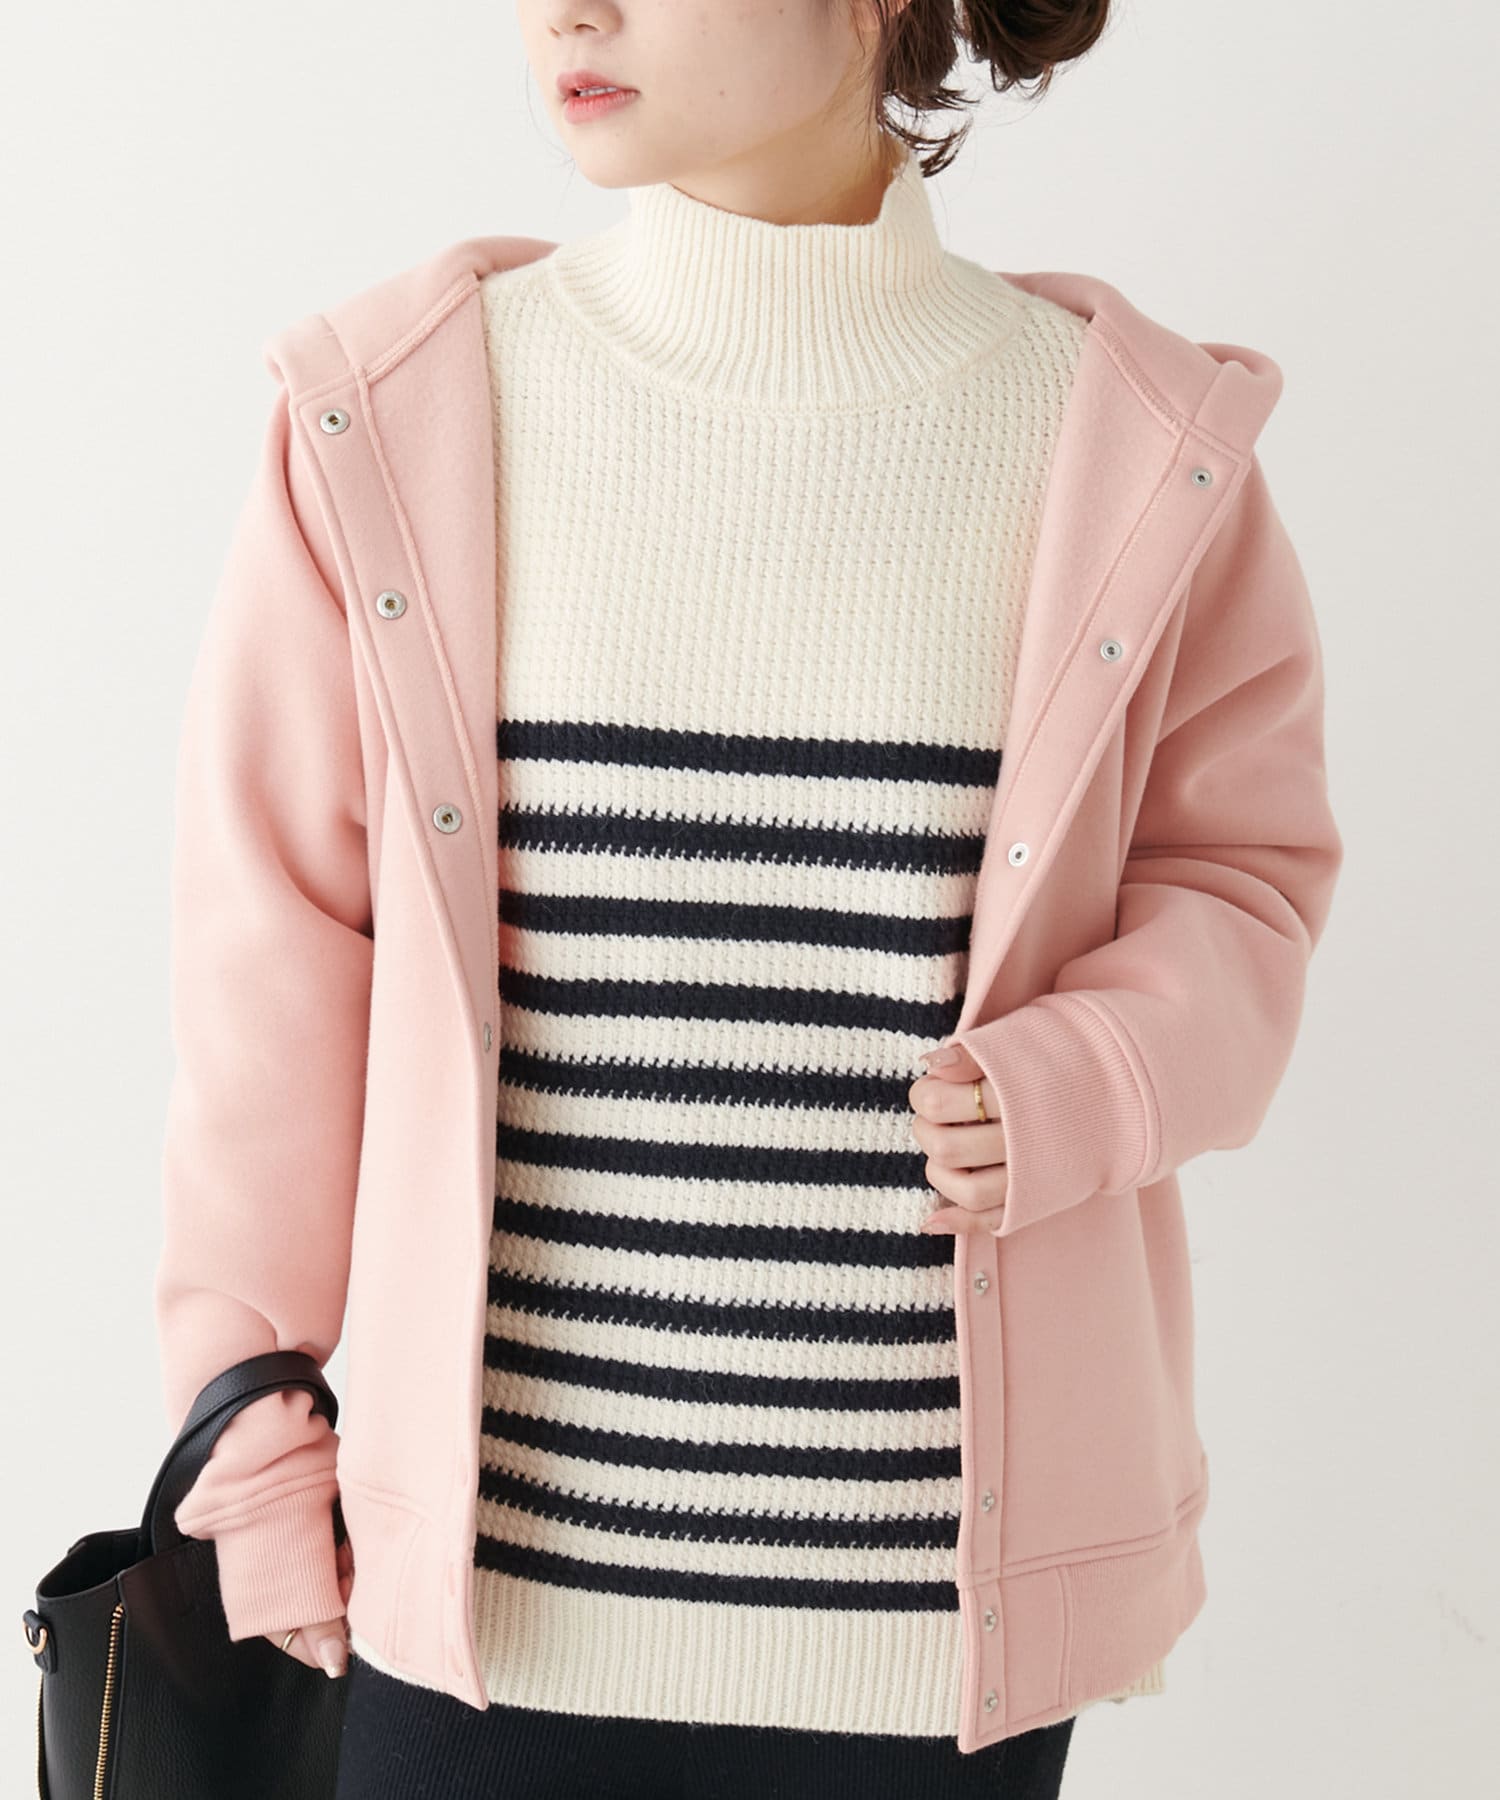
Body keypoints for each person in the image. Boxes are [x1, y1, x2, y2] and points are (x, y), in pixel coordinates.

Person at [153, 3, 1342, 1796]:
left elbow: (1244, 880)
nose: (569, 11)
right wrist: (248, 1425)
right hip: (480, 1622)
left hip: (933, 1642)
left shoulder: (1128, 445)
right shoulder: (393, 417)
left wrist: (1095, 1075)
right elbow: (273, 976)